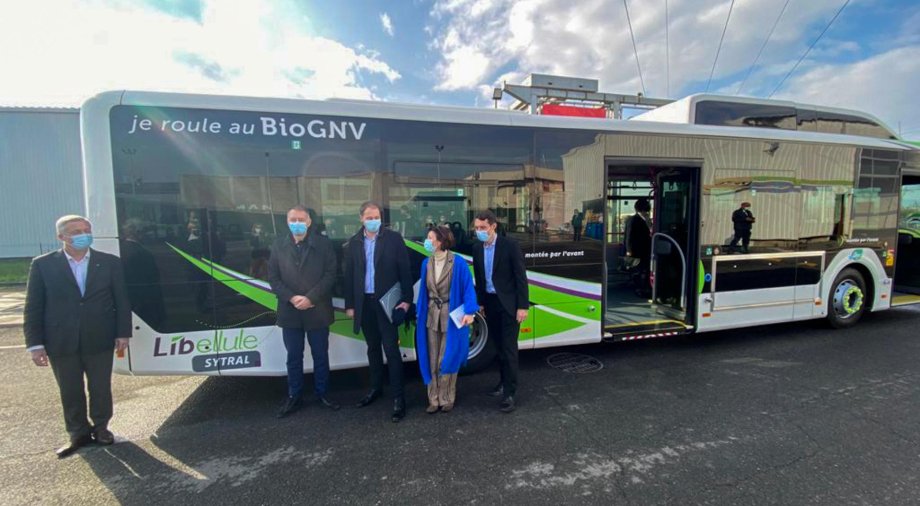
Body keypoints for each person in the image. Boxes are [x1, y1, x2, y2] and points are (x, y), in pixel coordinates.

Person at [23, 215, 132, 458]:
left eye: (86, 229)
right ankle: (77, 433)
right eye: (76, 231)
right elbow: (33, 307)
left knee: (100, 387)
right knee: (70, 389)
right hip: (60, 341)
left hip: (100, 337)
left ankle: (102, 427)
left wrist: (123, 332)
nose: (83, 234)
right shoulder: (43, 265)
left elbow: (121, 301)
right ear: (62, 237)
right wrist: (35, 344)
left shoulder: (109, 263)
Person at [343, 201, 413, 422]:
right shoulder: (354, 242)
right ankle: (376, 388)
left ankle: (398, 398)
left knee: (391, 350)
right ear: (361, 218)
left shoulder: (393, 239)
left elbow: (405, 271)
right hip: (365, 304)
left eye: (377, 216)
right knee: (372, 348)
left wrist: (407, 300)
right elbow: (349, 276)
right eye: (369, 217)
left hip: (387, 304)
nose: (373, 220)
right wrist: (350, 305)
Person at [267, 206, 340, 418]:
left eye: (301, 219)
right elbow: (273, 277)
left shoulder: (324, 244)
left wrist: (310, 298)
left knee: (321, 356)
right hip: (290, 312)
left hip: (317, 310)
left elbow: (330, 274)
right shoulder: (278, 245)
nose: (297, 223)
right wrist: (292, 297)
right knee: (293, 357)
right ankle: (294, 396)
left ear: (309, 222)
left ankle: (323, 393)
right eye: (293, 219)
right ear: (287, 221)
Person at [415, 226, 478, 413]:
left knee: (447, 357)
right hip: (431, 316)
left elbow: (468, 288)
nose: (427, 241)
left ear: (441, 241)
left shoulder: (458, 263)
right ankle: (433, 399)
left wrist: (470, 311)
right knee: (432, 358)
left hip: (451, 317)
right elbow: (424, 293)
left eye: (430, 238)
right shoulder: (426, 263)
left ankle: (447, 397)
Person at [472, 210, 529, 413]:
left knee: (509, 349)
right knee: (497, 347)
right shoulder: (477, 248)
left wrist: (523, 306)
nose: (479, 231)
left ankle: (510, 393)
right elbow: (479, 278)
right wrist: (480, 303)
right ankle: (503, 382)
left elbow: (520, 277)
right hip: (490, 303)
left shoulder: (509, 246)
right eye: (477, 228)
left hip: (509, 305)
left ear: (493, 226)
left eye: (483, 228)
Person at [625, 198, 652, 297]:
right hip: (637, 250)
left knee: (645, 269)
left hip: (646, 250)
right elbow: (629, 236)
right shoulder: (633, 220)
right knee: (639, 271)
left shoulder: (646, 220)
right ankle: (639, 289)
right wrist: (629, 251)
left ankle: (644, 288)